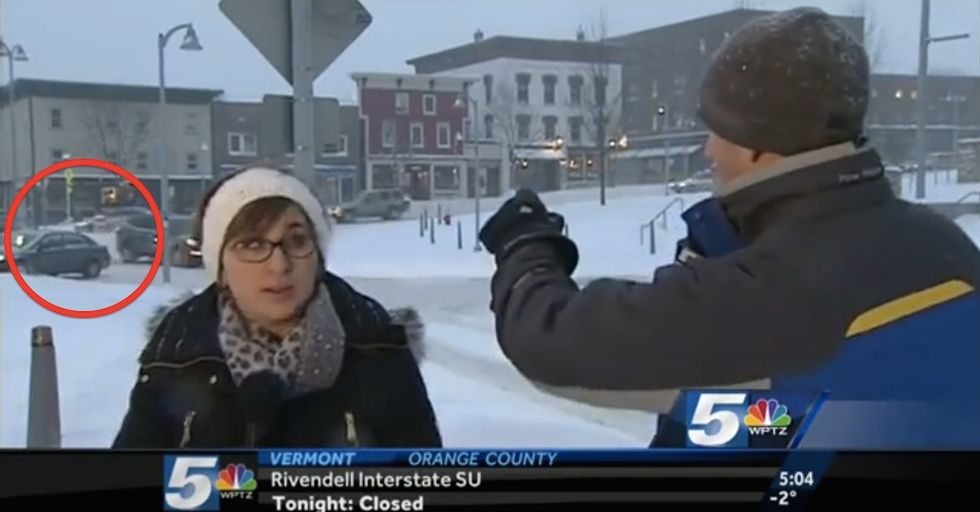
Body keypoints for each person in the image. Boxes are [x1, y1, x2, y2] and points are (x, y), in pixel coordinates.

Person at [478, 7, 980, 448]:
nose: (708, 149)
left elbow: (549, 340)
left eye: (715, 129)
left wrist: (526, 245)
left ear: (757, 144)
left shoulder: (769, 288)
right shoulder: (945, 245)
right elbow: (792, 413)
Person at [113, 166, 441, 448]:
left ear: (318, 255)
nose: (279, 265)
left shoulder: (379, 350)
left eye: (296, 241)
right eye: (253, 244)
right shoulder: (175, 356)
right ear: (221, 266)